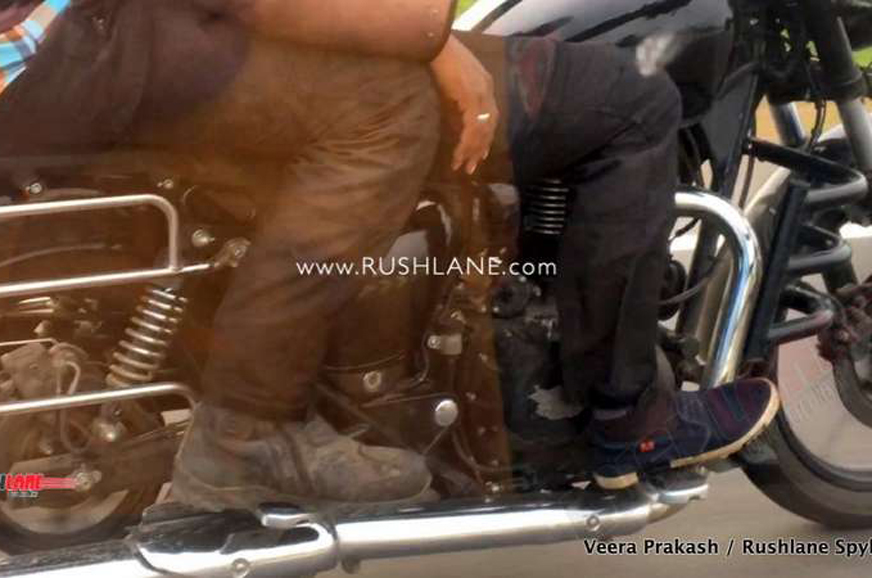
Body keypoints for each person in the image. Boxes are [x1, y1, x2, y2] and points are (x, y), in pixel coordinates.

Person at [0, 0, 779, 509]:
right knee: (427, 108)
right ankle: (630, 422)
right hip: (75, 45)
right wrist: (427, 39)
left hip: (90, 45)